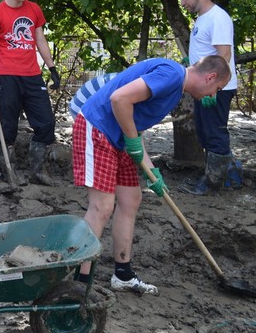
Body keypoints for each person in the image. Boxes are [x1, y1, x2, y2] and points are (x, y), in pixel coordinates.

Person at [73, 56, 231, 294]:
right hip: (97, 128)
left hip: (119, 138)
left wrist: (152, 171)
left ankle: (123, 275)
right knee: (101, 207)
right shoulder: (172, 75)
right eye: (217, 89)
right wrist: (133, 142)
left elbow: (132, 123)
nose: (213, 95)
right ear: (210, 77)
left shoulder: (176, 89)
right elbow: (119, 99)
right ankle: (79, 283)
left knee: (131, 199)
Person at [0, 0, 61, 185]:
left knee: (46, 123)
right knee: (8, 126)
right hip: (6, 76)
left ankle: (38, 171)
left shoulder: (34, 9)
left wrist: (52, 68)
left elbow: (40, 40)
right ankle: (8, 170)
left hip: (32, 76)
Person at [171, 0, 242, 195]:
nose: (183, 3)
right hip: (206, 86)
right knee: (204, 132)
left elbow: (223, 55)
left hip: (217, 88)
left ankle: (213, 184)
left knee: (214, 134)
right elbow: (208, 54)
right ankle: (228, 175)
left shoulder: (217, 17)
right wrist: (192, 62)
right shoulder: (202, 18)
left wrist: (214, 88)